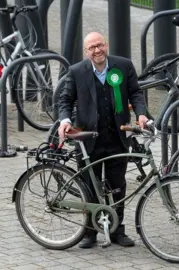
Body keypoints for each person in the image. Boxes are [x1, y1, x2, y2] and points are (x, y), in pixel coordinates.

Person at [58, 32, 149, 249]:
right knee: (89, 186)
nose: (97, 50)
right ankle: (90, 232)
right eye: (92, 47)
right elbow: (65, 99)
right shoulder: (76, 71)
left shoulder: (124, 66)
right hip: (88, 139)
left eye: (100, 45)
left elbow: (136, 93)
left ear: (106, 45)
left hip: (117, 136)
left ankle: (118, 230)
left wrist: (141, 113)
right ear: (86, 52)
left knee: (117, 184)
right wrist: (65, 120)